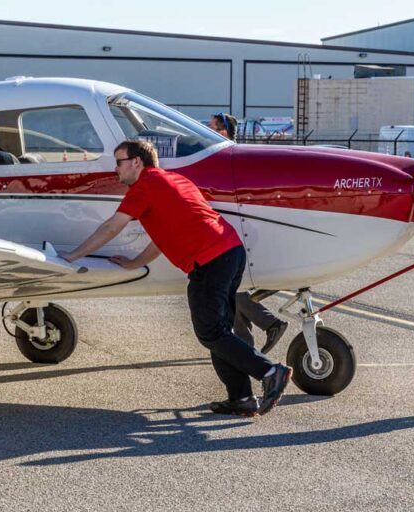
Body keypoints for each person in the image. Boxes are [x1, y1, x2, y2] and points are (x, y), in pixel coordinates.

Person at [60, 139, 292, 416]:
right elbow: (163, 238)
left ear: (137, 162)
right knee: (220, 332)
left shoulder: (144, 185)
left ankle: (270, 371)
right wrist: (135, 262)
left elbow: (112, 227)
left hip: (210, 261)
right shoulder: (174, 181)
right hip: (230, 253)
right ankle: (240, 397)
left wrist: (72, 257)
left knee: (211, 332)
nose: (115, 169)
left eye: (119, 162)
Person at [209, 112, 289, 354]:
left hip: (236, 231)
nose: (208, 129)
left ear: (223, 131)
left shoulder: (224, 157)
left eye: (212, 126)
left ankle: (271, 323)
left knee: (232, 289)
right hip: (234, 229)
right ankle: (245, 347)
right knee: (234, 291)